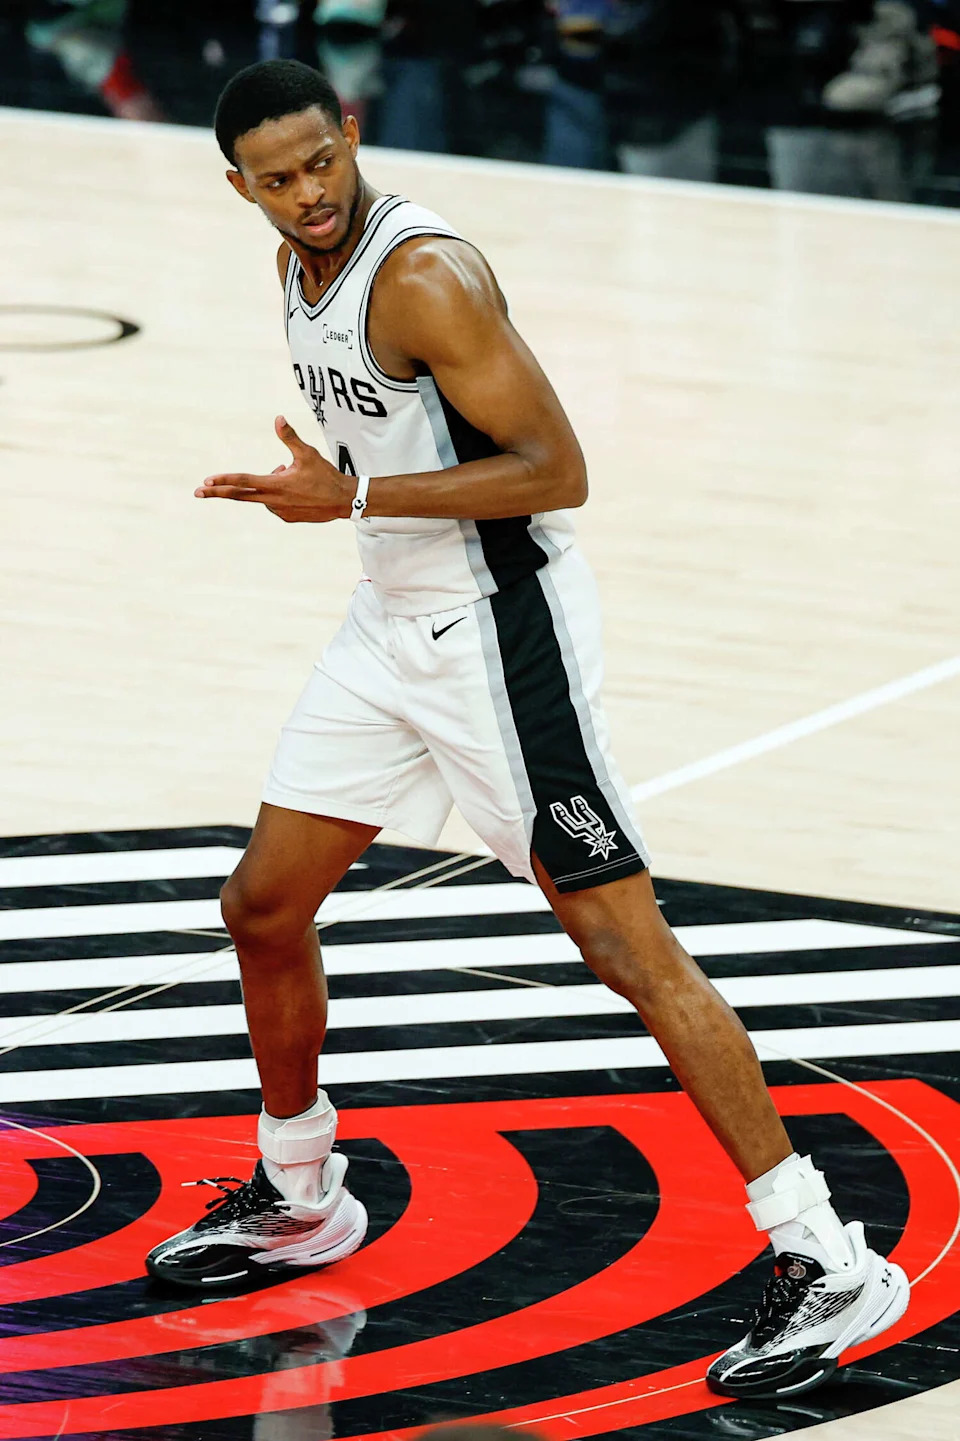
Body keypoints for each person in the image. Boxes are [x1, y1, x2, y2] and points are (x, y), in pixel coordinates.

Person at [145, 58, 908, 1399]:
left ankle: (823, 1249)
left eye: (323, 162)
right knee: (263, 905)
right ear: (239, 186)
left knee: (624, 940)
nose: (310, 193)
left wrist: (359, 490)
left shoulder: (423, 274)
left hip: (499, 637)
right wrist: (345, 488)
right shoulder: (296, 266)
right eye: (279, 178)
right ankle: (300, 1193)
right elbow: (397, 443)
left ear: (354, 134)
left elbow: (558, 469)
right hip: (391, 627)